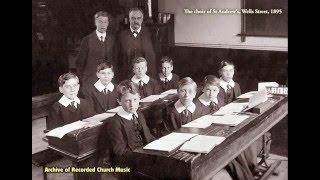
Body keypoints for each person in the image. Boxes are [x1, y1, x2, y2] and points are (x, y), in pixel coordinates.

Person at [99, 80, 155, 179]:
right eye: (127, 101)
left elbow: (148, 137)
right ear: (119, 101)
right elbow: (119, 151)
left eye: (135, 100)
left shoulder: (139, 115)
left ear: (139, 98)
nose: (132, 104)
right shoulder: (115, 122)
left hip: (143, 155)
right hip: (127, 162)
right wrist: (144, 157)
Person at [76, 11, 115, 84]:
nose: (103, 24)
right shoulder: (87, 40)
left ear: (108, 23)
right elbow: (80, 63)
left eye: (105, 22)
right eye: (100, 22)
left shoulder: (112, 40)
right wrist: (84, 80)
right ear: (95, 23)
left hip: (108, 81)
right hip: (90, 81)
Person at [117, 7, 157, 80]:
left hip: (147, 77)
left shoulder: (151, 34)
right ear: (129, 19)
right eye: (133, 18)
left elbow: (157, 55)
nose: (136, 21)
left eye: (138, 18)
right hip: (127, 77)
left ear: (142, 19)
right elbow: (118, 58)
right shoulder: (121, 35)